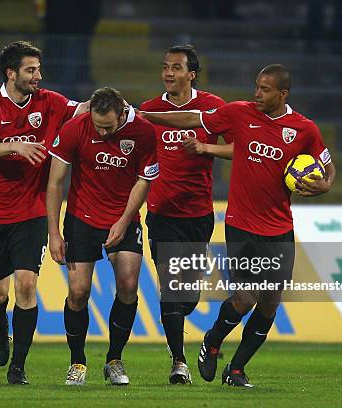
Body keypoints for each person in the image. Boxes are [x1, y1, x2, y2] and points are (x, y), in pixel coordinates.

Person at [141, 64, 336, 387]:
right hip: (241, 222)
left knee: (271, 300)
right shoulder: (238, 113)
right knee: (245, 296)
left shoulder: (304, 129)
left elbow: (327, 166)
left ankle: (237, 369)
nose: (257, 93)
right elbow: (192, 118)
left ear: (282, 94)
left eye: (265, 89)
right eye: (257, 86)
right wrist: (147, 116)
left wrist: (325, 185)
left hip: (279, 226)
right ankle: (213, 339)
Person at [0, 41, 89, 385]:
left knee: (26, 285)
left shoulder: (49, 102)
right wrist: (15, 145)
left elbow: (82, 109)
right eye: (31, 70)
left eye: (38, 69)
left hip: (31, 210)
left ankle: (18, 366)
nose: (38, 76)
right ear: (11, 73)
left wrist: (112, 103)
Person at [46, 87, 159, 386]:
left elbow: (143, 181)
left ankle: (114, 359)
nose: (102, 132)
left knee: (128, 285)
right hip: (81, 219)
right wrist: (54, 232)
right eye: (97, 125)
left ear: (122, 114)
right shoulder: (75, 128)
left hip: (124, 217)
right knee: (79, 292)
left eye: (108, 127)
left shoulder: (144, 132)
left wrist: (123, 221)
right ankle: (77, 362)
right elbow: (55, 182)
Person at [139, 44, 232, 385]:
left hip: (198, 213)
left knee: (188, 297)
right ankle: (179, 362)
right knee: (170, 289)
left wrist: (208, 147)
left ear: (191, 74)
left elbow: (240, 147)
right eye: (165, 67)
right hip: (161, 211)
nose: (168, 73)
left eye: (176, 68)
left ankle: (182, 329)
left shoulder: (213, 107)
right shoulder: (149, 110)